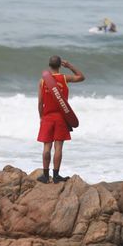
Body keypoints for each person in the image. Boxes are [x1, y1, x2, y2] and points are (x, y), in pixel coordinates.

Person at [36, 56, 85, 184]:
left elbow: (40, 102)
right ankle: (56, 176)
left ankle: (45, 176)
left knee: (47, 147)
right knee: (58, 147)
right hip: (61, 118)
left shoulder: (42, 81)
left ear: (49, 65)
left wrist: (41, 117)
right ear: (59, 66)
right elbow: (81, 77)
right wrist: (69, 66)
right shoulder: (64, 78)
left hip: (47, 117)